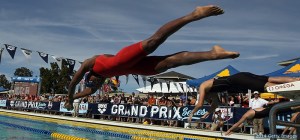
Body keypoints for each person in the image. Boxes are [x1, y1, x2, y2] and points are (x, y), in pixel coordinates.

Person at [65, 5, 240, 110]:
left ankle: (194, 14)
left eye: (92, 82)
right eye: (94, 85)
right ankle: (213, 54)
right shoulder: (101, 80)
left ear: (89, 76)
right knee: (170, 62)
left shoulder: (91, 63)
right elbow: (88, 91)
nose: (94, 85)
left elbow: (73, 83)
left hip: (123, 59)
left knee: (153, 42)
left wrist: (69, 96)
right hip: (136, 67)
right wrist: (72, 100)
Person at [188, 72, 299, 123]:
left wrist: (192, 114)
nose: (208, 99)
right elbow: (215, 105)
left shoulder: (202, 86)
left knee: (269, 87)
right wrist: (205, 115)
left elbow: (199, 104)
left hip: (239, 81)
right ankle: (297, 80)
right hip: (241, 77)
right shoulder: (211, 90)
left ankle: (295, 85)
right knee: (271, 79)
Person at [224, 104, 300, 136]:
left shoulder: (246, 116)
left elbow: (237, 124)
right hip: (271, 110)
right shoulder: (249, 114)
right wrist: (232, 131)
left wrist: (229, 130)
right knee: (292, 108)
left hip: (272, 110)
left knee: (292, 107)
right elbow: (240, 126)